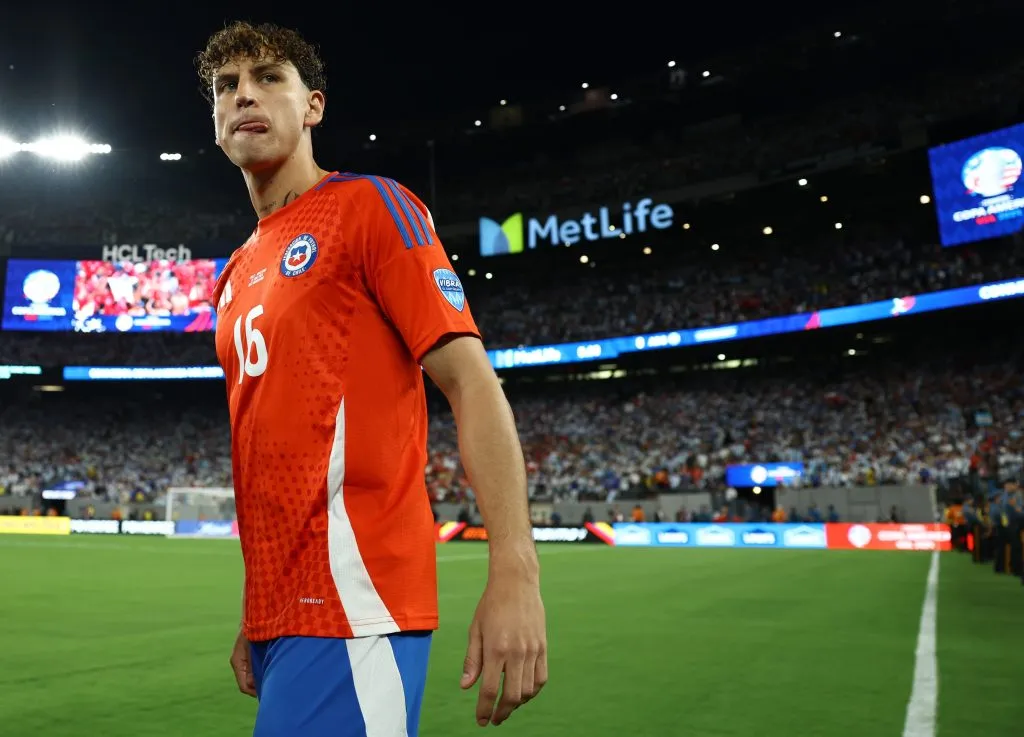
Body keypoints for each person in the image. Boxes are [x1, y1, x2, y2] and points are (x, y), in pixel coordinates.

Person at [196, 21, 547, 736]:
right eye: (226, 87)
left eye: (268, 78)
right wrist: (257, 610)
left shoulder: (370, 207)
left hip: (355, 603)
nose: (244, 96)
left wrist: (514, 570)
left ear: (313, 106)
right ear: (214, 121)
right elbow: (271, 450)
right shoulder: (232, 273)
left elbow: (471, 381)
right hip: (284, 615)